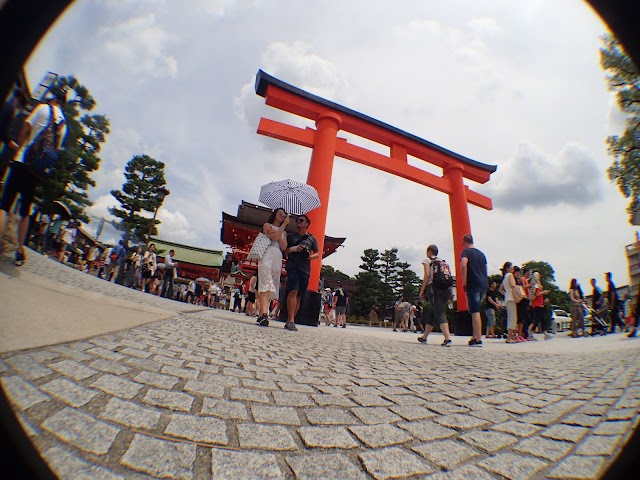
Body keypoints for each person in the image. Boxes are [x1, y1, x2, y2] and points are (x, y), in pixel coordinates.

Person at [0, 90, 68, 266]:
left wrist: (19, 147)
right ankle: (19, 250)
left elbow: (25, 128)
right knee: (25, 212)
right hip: (37, 170)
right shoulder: (63, 125)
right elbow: (54, 151)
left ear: (53, 98)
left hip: (22, 160)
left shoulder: (43, 108)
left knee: (5, 206)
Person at [283, 214, 319, 331]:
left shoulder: (312, 238)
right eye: (297, 220)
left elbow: (317, 253)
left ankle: (291, 319)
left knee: (299, 295)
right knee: (293, 290)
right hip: (293, 265)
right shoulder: (290, 236)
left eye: (301, 220)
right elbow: (284, 251)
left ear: (307, 224)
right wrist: (295, 249)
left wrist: (309, 256)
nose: (298, 222)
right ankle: (291, 320)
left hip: (305, 268)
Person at [256, 208, 289, 327]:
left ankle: (261, 315)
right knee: (265, 282)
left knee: (271, 285)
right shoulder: (267, 225)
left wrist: (281, 229)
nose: (282, 216)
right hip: (266, 254)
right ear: (274, 214)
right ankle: (264, 314)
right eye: (280, 213)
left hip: (277, 257)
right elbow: (274, 238)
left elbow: (284, 246)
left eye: (284, 215)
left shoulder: (283, 232)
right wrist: (283, 226)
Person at [417, 244, 453, 346]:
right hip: (446, 290)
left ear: (429, 251)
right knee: (432, 313)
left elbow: (427, 275)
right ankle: (424, 337)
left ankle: (447, 338)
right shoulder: (443, 261)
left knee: (440, 312)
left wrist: (422, 290)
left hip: (434, 290)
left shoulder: (427, 260)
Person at [460, 234, 488, 347]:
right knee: (475, 310)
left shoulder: (465, 252)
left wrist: (464, 281)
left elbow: (463, 265)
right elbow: (486, 269)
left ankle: (478, 338)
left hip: (473, 283)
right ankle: (475, 336)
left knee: (475, 311)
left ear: (464, 242)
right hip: (483, 283)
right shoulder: (482, 254)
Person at [499, 262, 519, 343]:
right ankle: (510, 337)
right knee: (513, 318)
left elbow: (500, 289)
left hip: (507, 297)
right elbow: (513, 285)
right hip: (511, 297)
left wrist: (506, 294)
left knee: (510, 317)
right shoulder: (510, 275)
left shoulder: (505, 276)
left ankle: (510, 336)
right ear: (508, 268)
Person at [530, 271, 551, 339]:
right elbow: (537, 294)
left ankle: (545, 333)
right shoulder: (536, 285)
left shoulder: (535, 285)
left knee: (541, 319)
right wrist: (544, 292)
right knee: (538, 319)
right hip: (537, 304)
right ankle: (532, 334)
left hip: (539, 304)